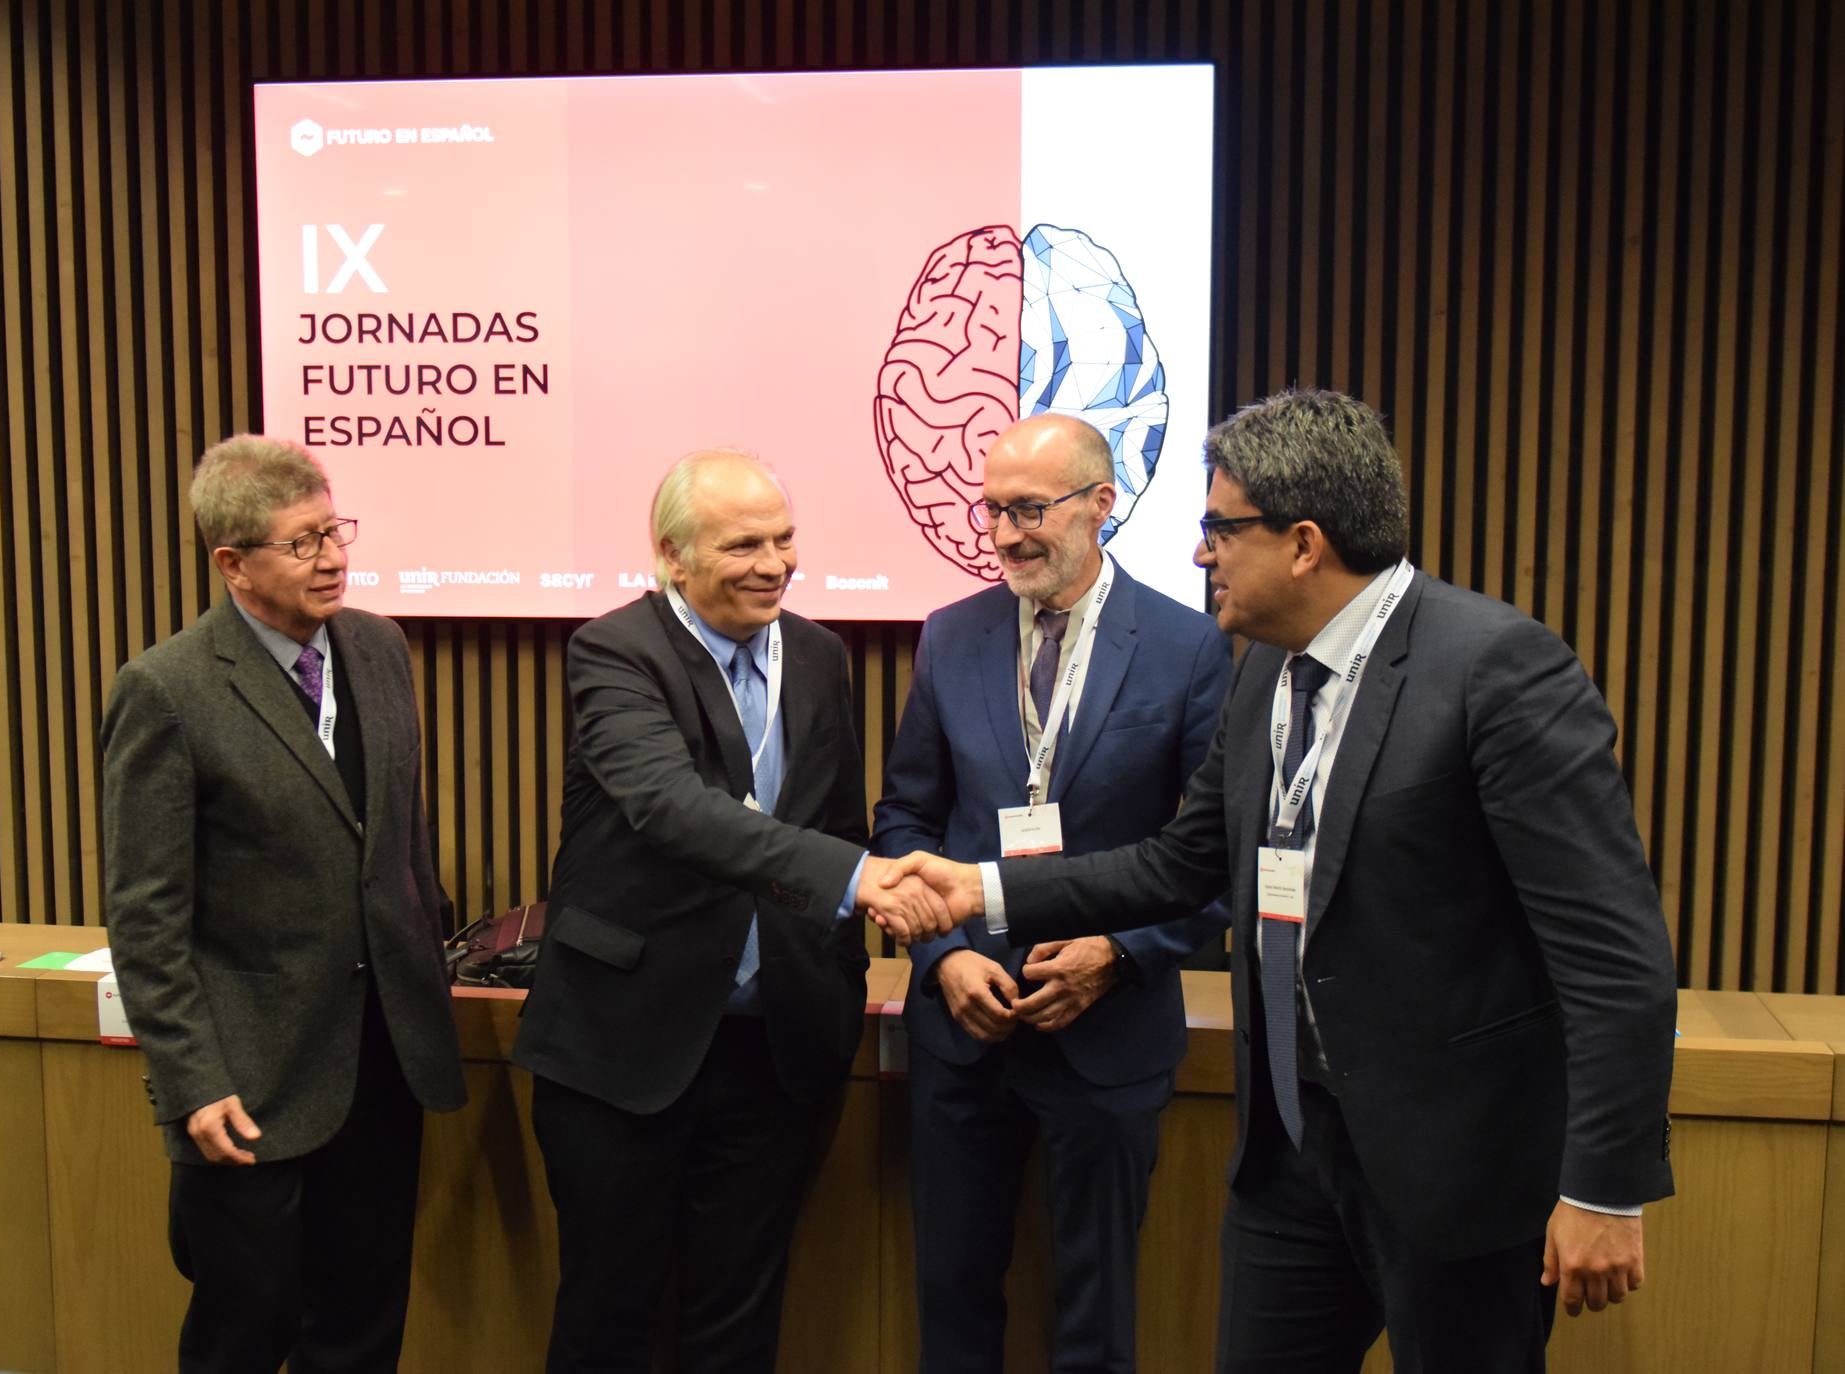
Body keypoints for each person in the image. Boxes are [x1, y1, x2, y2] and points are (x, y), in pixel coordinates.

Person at [880, 389, 1676, 1372]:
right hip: (1292, 1152)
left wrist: (1603, 1187)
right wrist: (981, 896)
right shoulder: (1267, 670)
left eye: (1221, 529)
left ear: (1303, 543)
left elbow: (1615, 956)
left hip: (1451, 1170)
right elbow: (1182, 863)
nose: (1200, 553)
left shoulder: (1494, 668)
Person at [512, 449, 944, 1372]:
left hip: (774, 1047)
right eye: (743, 544)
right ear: (672, 556)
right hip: (624, 1048)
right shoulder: (615, 651)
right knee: (608, 1318)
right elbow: (670, 805)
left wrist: (839, 952)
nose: (774, 563)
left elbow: (829, 814)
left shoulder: (821, 656)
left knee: (738, 1323)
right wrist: (855, 878)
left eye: (785, 540)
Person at [873, 413, 1230, 1372]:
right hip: (962, 1027)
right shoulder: (951, 636)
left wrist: (1120, 955)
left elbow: (1215, 853)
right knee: (950, 1294)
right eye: (991, 510)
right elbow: (905, 822)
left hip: (1106, 1033)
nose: (1002, 534)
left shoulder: (1186, 647)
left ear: (1100, 505)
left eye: (1027, 509)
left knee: (1094, 1307)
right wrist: (941, 958)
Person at [102, 435, 466, 1372]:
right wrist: (190, 1080)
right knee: (245, 1330)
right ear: (232, 564)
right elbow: (145, 915)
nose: (334, 557)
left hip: (382, 1062)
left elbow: (397, 846)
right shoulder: (168, 690)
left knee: (362, 1325)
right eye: (302, 543)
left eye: (335, 529)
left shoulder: (379, 648)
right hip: (247, 1085)